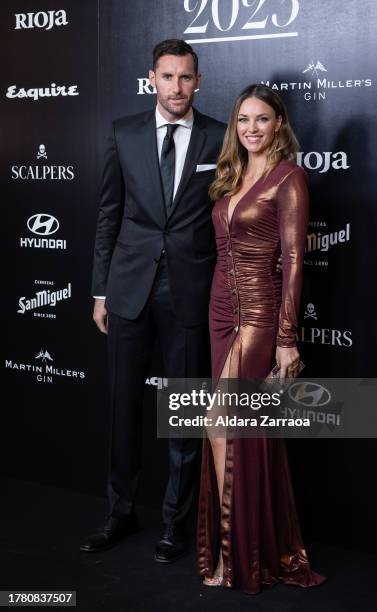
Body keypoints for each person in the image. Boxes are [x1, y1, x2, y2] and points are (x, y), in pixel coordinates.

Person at [81, 39, 226, 562]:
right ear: (151, 79)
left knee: (184, 416)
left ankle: (175, 524)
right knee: (124, 409)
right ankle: (119, 514)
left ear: (198, 81)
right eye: (168, 77)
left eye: (186, 77)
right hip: (127, 291)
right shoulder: (124, 133)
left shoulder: (220, 136)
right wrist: (100, 291)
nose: (177, 87)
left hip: (190, 292)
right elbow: (108, 217)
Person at [197, 84, 327, 593]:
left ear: (279, 124)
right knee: (232, 431)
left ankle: (238, 557)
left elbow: (294, 261)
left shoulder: (289, 177)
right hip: (219, 311)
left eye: (262, 119)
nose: (251, 128)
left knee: (227, 428)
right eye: (243, 119)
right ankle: (247, 550)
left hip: (259, 314)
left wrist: (287, 338)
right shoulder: (230, 175)